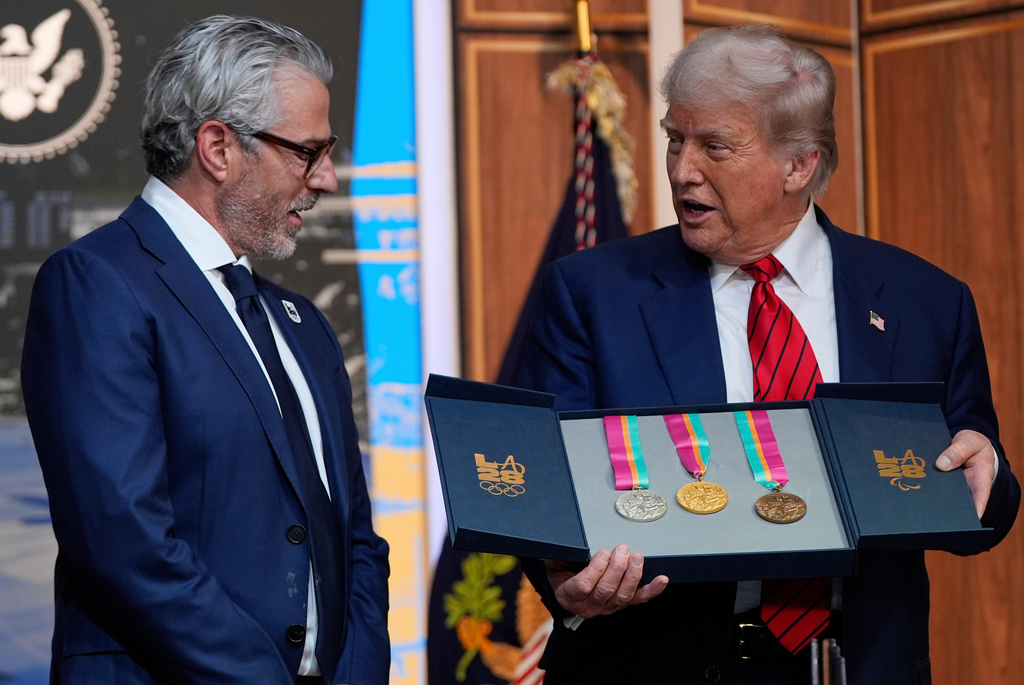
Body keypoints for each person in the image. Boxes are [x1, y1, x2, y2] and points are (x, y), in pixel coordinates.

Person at [518, 24, 1020, 685]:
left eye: (714, 147)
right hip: (654, 659)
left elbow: (977, 498)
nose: (680, 169)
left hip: (854, 663)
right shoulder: (594, 292)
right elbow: (542, 490)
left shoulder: (923, 301)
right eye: (675, 138)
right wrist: (567, 580)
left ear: (799, 164)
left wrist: (986, 476)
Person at [20, 15, 389, 685]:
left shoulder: (300, 321)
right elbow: (123, 539)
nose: (328, 177)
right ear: (218, 147)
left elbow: (356, 537)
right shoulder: (97, 284)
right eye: (308, 151)